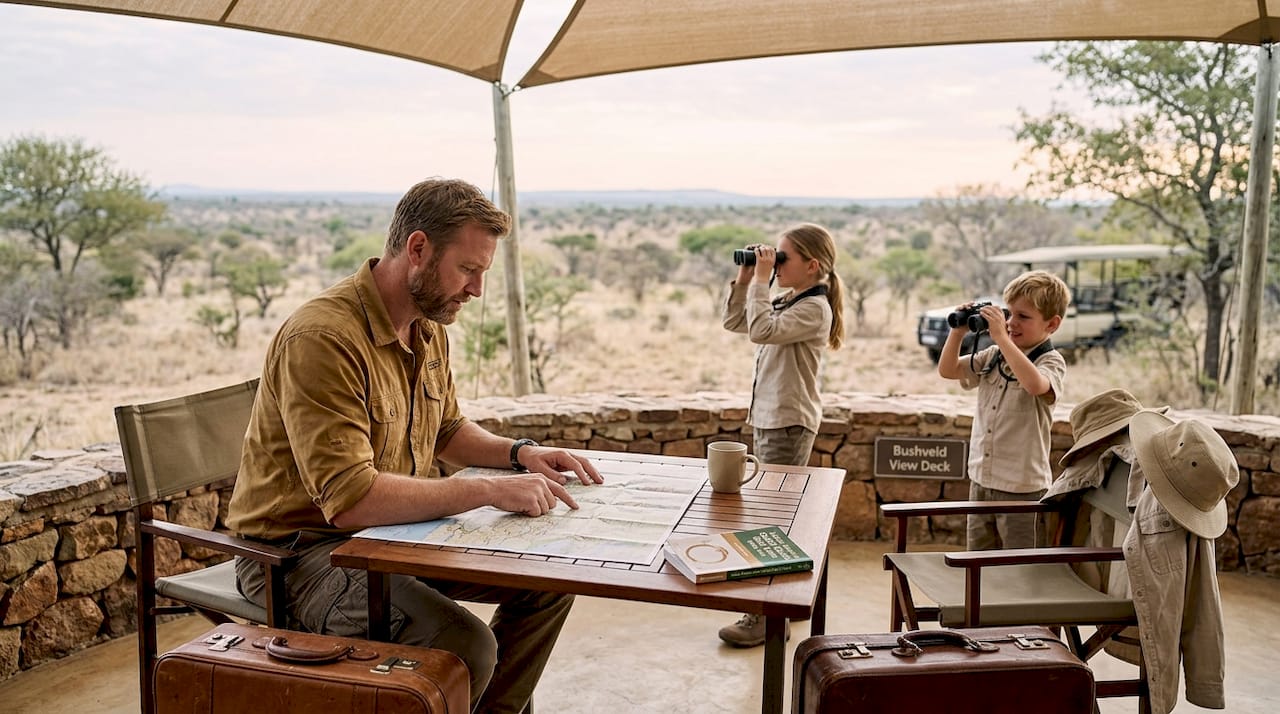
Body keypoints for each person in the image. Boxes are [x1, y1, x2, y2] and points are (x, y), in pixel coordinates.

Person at [226, 178, 604, 714]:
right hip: (297, 555)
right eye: (468, 270)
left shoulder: (426, 327)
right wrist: (488, 492)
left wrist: (520, 453)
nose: (476, 290)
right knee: (467, 646)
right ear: (418, 249)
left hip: (394, 536)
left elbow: (446, 429)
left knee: (548, 584)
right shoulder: (322, 338)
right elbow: (351, 500)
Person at [716, 223, 845, 647]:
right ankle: (771, 610)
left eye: (783, 258)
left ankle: (766, 617)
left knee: (773, 521)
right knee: (769, 516)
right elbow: (737, 320)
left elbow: (761, 330)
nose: (776, 264)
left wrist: (759, 281)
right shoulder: (793, 299)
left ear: (813, 266)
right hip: (774, 418)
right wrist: (746, 277)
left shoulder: (814, 309)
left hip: (787, 422)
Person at [937, 269, 1069, 551]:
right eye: (1009, 314)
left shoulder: (1051, 361)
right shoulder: (994, 356)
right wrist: (957, 332)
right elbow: (948, 370)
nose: (1011, 323)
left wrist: (1002, 338)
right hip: (981, 480)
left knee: (1019, 568)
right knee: (979, 562)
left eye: (1023, 316)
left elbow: (1036, 385)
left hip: (1022, 488)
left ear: (1053, 324)